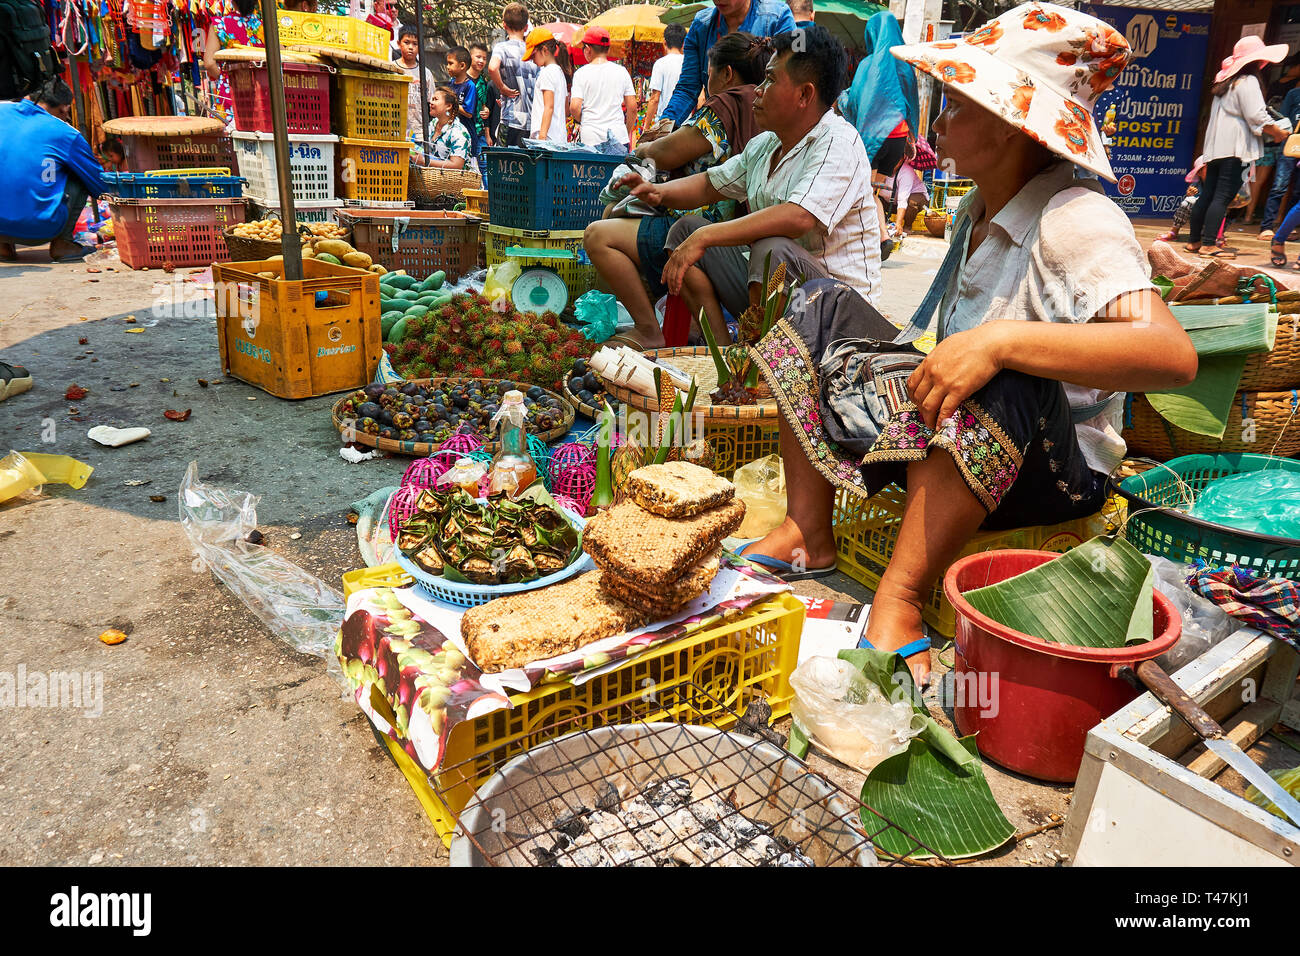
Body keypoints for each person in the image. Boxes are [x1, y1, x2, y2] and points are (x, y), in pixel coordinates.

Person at [738, 4, 1197, 686]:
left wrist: (1002, 341)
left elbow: (1170, 355)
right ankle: (810, 528)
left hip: (1048, 466)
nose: (941, 123)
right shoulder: (974, 210)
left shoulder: (1077, 219)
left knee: (1004, 370)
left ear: (1014, 127)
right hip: (954, 443)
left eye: (957, 105)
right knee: (816, 301)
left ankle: (900, 598)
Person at [620, 25, 880, 350]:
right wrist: (658, 192)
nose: (758, 89)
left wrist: (707, 236)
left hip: (840, 319)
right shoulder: (766, 144)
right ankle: (728, 354)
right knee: (685, 230)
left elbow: (799, 217)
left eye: (771, 79)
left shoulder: (838, 142)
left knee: (771, 248)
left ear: (804, 95)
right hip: (787, 299)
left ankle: (763, 364)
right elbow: (709, 184)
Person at [586, 31, 767, 348]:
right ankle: (704, 341)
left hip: (708, 232)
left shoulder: (726, 103)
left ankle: (647, 329)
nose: (705, 79)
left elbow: (669, 153)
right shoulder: (761, 107)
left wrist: (645, 147)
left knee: (598, 234)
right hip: (737, 235)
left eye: (708, 72)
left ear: (725, 73)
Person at [1188, 35, 1289, 261]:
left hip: (1215, 149)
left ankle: (1194, 241)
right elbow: (1257, 116)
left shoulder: (1225, 83)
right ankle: (1208, 245)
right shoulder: (1248, 82)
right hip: (1236, 149)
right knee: (1223, 197)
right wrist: (1279, 133)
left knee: (1208, 195)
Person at [0, 78, 108, 263]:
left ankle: (3, 247)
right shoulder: (66, 133)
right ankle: (63, 244)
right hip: (40, 229)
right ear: (65, 109)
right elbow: (99, 184)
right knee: (80, 174)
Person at [652, 0, 795, 139]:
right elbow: (687, 89)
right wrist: (662, 129)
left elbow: (792, 80)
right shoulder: (700, 25)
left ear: (727, 73)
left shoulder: (780, 17)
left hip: (766, 136)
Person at [838, 10, 919, 177]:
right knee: (878, 193)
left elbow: (854, 102)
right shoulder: (905, 64)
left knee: (865, 194)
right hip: (898, 137)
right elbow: (912, 102)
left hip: (871, 137)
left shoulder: (866, 65)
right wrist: (912, 135)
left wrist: (840, 97)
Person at [570, 27, 638, 153]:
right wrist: (626, 130)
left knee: (591, 172)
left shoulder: (581, 74)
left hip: (590, 138)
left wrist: (585, 121)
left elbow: (574, 107)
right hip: (618, 136)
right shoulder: (621, 72)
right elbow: (633, 108)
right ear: (608, 49)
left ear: (588, 49)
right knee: (618, 173)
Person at [201, 0, 264, 125]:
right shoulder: (264, 27)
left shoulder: (220, 24)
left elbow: (209, 63)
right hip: (261, 93)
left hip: (231, 95)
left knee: (230, 139)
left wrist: (226, 78)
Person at [1260, 55, 1300, 239]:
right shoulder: (1293, 94)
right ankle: (1267, 227)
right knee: (1280, 186)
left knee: (1298, 190)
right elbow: (1283, 118)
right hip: (1291, 145)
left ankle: (1289, 227)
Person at [488, 2, 534, 147]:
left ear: (504, 25)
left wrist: (501, 87)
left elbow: (492, 67)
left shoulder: (502, 47)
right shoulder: (533, 51)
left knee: (504, 163)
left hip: (510, 117)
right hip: (531, 120)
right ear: (526, 27)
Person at [525, 29, 570, 145]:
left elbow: (549, 106)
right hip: (558, 137)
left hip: (547, 139)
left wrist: (542, 137)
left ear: (544, 50)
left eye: (533, 55)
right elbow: (566, 108)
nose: (532, 60)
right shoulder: (559, 72)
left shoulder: (546, 73)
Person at [413, 86, 472, 169]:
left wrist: (424, 161)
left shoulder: (458, 132)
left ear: (448, 106)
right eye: (431, 99)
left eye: (435, 99)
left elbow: (457, 165)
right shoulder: (432, 125)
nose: (430, 102)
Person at [395, 26, 435, 143]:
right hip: (396, 131)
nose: (411, 47)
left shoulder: (425, 73)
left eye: (415, 44)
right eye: (406, 42)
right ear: (399, 43)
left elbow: (431, 103)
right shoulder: (391, 68)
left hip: (419, 134)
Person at [645, 23, 686, 132]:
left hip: (664, 123)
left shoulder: (660, 64)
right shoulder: (689, 63)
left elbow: (654, 99)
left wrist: (646, 126)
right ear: (683, 44)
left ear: (664, 43)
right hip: (685, 123)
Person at [444, 46, 479, 144]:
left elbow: (468, 113)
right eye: (447, 63)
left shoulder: (470, 86)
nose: (447, 67)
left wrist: (451, 102)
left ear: (462, 65)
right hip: (451, 133)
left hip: (466, 136)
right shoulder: (450, 83)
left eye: (451, 63)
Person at [468, 41, 494, 166]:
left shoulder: (483, 83)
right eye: (478, 57)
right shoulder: (460, 79)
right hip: (464, 131)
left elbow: (484, 106)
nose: (481, 61)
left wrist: (486, 110)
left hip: (480, 132)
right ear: (469, 57)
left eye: (484, 58)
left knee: (485, 167)